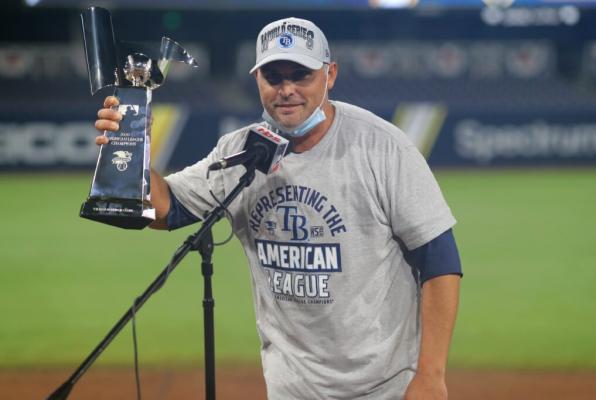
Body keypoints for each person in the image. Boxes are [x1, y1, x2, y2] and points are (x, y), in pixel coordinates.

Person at [95, 17, 462, 400]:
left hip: (384, 388)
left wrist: (431, 376)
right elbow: (164, 209)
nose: (286, 90)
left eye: (300, 75)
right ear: (257, 80)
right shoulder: (242, 153)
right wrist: (129, 144)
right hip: (291, 389)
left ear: (330, 74)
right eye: (274, 77)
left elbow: (439, 262)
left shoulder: (382, 147)